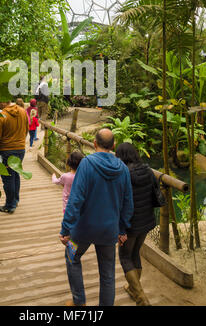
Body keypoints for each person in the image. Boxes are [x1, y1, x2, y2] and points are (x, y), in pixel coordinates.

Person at [59, 128, 134, 306]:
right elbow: (128, 203)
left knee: (71, 258)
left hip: (82, 230)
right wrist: (122, 229)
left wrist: (65, 229)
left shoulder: (86, 164)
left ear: (94, 143)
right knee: (108, 273)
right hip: (109, 232)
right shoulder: (123, 169)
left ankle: (79, 302)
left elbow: (75, 200)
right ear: (113, 146)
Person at [115, 142, 157, 306]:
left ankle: (141, 298)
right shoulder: (147, 169)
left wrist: (120, 227)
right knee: (135, 254)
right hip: (146, 221)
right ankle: (133, 288)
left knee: (125, 257)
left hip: (129, 225)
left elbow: (120, 201)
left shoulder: (123, 174)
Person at [0, 101, 29, 214]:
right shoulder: (23, 111)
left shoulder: (1, 115)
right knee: (16, 174)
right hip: (21, 149)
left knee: (8, 177)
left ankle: (9, 205)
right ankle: (15, 200)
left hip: (7, 150)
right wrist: (21, 141)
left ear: (1, 103)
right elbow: (26, 129)